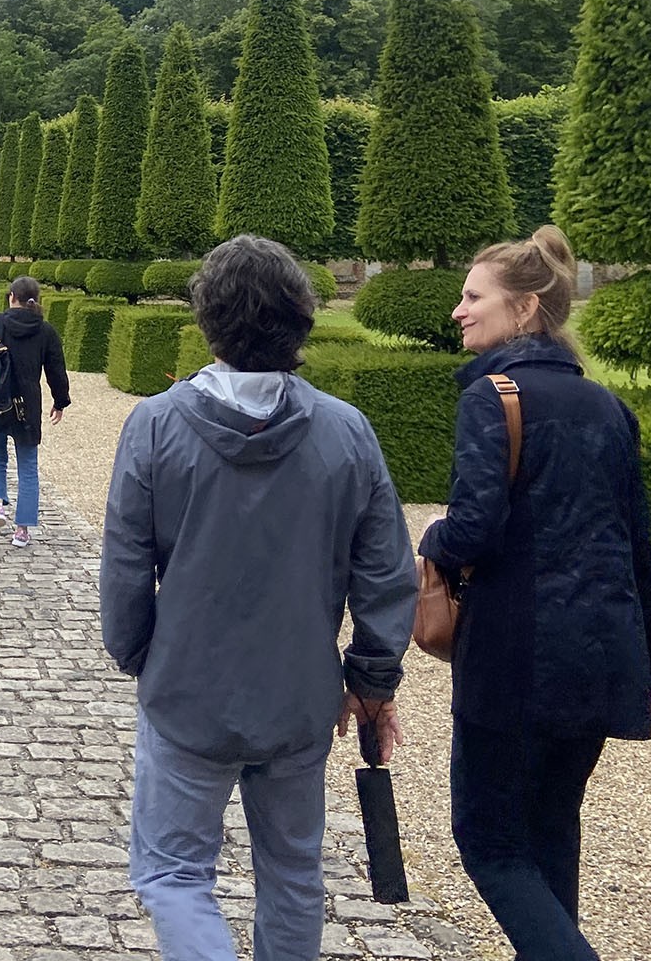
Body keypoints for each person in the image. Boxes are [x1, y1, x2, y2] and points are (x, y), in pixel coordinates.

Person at [100, 235, 417, 961]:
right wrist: (370, 679)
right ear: (302, 318)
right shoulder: (347, 431)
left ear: (206, 319)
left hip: (187, 687)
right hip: (299, 692)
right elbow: (384, 573)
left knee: (173, 874)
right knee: (294, 874)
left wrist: (138, 652)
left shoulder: (155, 425)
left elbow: (124, 563)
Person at [418, 227, 651, 961]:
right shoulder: (606, 405)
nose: (459, 310)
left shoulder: (494, 396)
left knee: (491, 842)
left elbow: (473, 531)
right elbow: (638, 546)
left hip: (515, 655)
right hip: (601, 656)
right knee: (552, 834)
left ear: (524, 309)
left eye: (473, 297)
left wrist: (432, 539)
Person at [0, 274, 70, 547]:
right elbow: (56, 371)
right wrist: (60, 401)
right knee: (27, 467)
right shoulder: (45, 330)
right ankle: (22, 529)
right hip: (27, 404)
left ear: (11, 296)